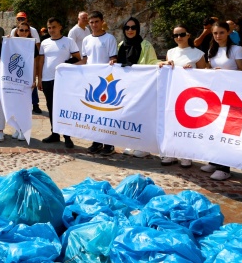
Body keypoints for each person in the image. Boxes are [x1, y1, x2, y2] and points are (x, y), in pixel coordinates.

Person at [197, 21, 242, 180]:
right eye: (215, 33)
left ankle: (225, 168)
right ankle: (214, 161)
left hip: (232, 96)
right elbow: (209, 69)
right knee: (214, 129)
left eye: (221, 33)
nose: (218, 36)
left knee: (226, 132)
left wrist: (224, 73)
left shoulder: (237, 49)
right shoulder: (212, 49)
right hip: (215, 95)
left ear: (228, 32)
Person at [158, 23, 206, 167]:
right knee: (171, 122)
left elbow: (204, 74)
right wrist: (164, 63)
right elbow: (165, 69)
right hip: (173, 92)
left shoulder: (198, 53)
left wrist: (192, 70)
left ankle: (186, 155)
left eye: (182, 34)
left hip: (191, 94)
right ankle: (171, 153)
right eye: (176, 35)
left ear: (188, 35)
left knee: (187, 124)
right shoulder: (171, 52)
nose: (179, 37)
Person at [117, 17, 159, 158]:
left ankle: (144, 146)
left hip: (142, 86)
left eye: (133, 27)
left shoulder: (145, 45)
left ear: (138, 29)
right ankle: (131, 143)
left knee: (142, 116)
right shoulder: (121, 45)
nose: (130, 30)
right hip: (126, 86)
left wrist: (162, 63)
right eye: (127, 28)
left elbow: (153, 61)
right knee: (129, 115)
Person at [79, 11, 118, 155]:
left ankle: (109, 144)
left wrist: (112, 62)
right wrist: (67, 67)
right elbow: (84, 60)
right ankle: (96, 142)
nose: (94, 25)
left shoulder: (109, 38)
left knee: (106, 114)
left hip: (105, 83)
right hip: (91, 82)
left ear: (102, 22)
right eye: (91, 22)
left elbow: (113, 58)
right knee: (92, 113)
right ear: (88, 23)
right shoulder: (86, 40)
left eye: (96, 21)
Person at [38, 17, 80, 149]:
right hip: (47, 79)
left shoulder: (68, 41)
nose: (51, 30)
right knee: (51, 107)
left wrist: (66, 64)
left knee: (63, 108)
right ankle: (54, 133)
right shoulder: (44, 43)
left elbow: (79, 58)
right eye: (49, 28)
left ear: (60, 27)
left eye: (54, 27)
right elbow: (41, 61)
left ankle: (67, 136)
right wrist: (39, 78)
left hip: (62, 80)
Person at [11, 21, 42, 140]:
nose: (24, 32)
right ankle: (17, 128)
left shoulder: (32, 44)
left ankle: (24, 130)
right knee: (15, 104)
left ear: (29, 32)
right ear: (17, 31)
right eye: (21, 30)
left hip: (26, 77)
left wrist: (34, 78)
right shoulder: (12, 43)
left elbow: (34, 63)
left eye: (26, 30)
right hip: (14, 78)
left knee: (25, 105)